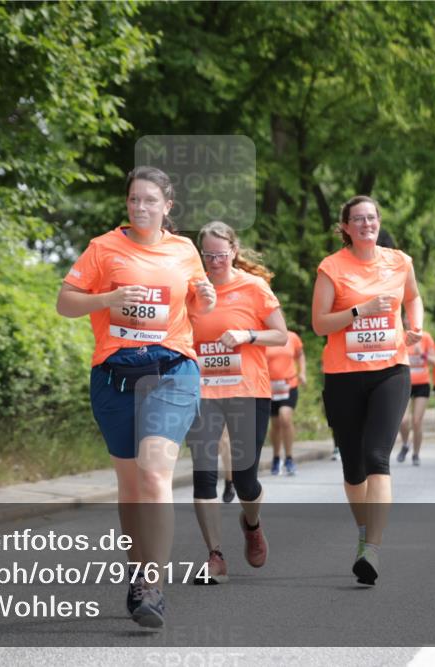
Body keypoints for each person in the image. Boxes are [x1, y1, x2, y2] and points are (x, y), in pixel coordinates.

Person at [56, 166, 216, 628]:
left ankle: (153, 585)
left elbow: (198, 312)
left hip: (171, 372)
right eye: (133, 200)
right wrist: (108, 300)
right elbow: (65, 303)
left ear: (167, 206)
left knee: (152, 474)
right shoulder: (103, 249)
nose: (140, 207)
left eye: (150, 200)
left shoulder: (184, 250)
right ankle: (136, 571)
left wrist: (204, 299)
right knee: (130, 488)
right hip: (115, 376)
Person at [312, 195, 424, 586]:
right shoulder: (332, 268)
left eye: (371, 218)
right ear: (345, 227)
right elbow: (320, 325)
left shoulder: (399, 261)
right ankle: (364, 534)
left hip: (391, 370)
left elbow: (412, 296)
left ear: (378, 222)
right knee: (353, 467)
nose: (366, 224)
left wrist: (416, 326)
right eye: (357, 219)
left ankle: (372, 548)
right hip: (344, 374)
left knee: (378, 456)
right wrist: (361, 310)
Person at [186, 221, 287, 585]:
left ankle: (252, 522)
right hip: (202, 392)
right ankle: (215, 556)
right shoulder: (191, 291)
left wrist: (247, 335)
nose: (214, 261)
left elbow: (281, 335)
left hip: (247, 390)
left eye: (220, 254)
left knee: (245, 480)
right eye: (208, 255)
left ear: (234, 251)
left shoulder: (254, 286)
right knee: (203, 473)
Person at [267, 329, 307, 476]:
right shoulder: (264, 338)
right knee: (275, 423)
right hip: (270, 386)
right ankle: (276, 457)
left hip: (289, 384)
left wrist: (302, 372)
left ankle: (289, 457)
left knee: (285, 417)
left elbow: (300, 355)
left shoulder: (292, 337)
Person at [396, 322, 435, 466]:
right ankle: (406, 444)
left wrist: (422, 354)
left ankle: (416, 454)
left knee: (417, 421)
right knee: (402, 420)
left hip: (422, 384)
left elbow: (434, 361)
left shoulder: (425, 337)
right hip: (404, 382)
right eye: (408, 319)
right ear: (405, 320)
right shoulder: (399, 335)